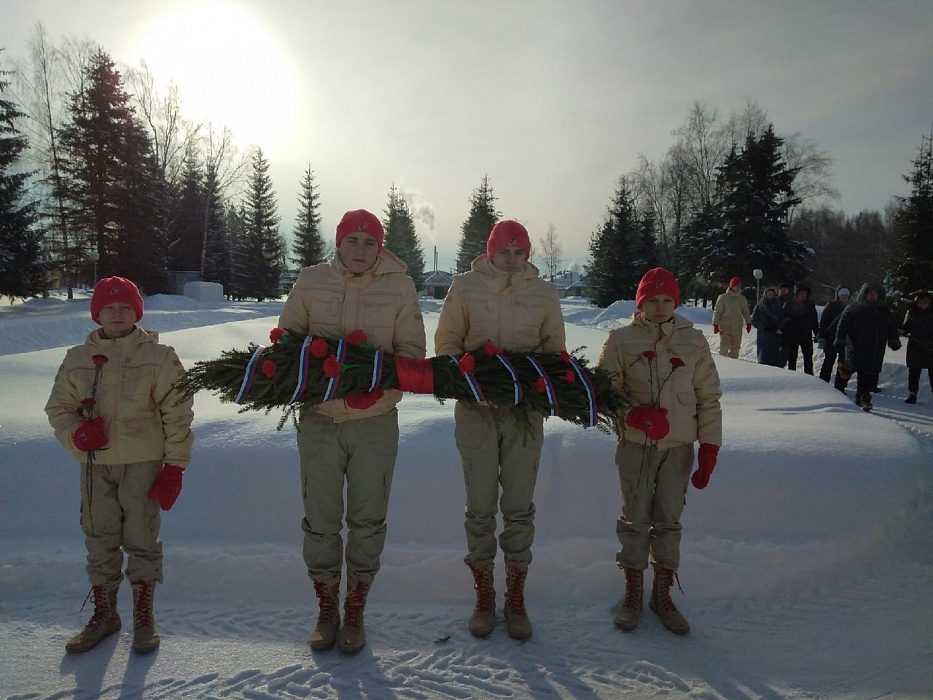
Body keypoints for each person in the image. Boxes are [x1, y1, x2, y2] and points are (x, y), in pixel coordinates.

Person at [278, 209, 426, 653]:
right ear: (338, 243)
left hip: (375, 423)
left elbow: (412, 352)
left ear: (380, 247)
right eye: (352, 241)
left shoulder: (399, 286)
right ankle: (327, 608)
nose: (360, 250)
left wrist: (374, 387)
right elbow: (288, 341)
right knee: (321, 520)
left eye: (369, 242)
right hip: (319, 421)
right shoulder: (311, 280)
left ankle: (356, 606)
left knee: (367, 519)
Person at [44, 276, 194, 655]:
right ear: (97, 313)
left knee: (142, 538)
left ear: (137, 312)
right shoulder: (76, 358)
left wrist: (174, 467)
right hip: (95, 467)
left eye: (125, 307)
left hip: (142, 463)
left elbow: (178, 414)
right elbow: (59, 408)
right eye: (109, 307)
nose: (117, 313)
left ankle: (144, 615)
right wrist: (76, 433)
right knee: (99, 538)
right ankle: (105, 614)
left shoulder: (159, 356)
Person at [435, 220, 566, 641]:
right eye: (504, 251)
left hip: (524, 413)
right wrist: (473, 380)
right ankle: (484, 595)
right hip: (476, 412)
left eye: (518, 252)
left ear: (527, 255)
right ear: (490, 252)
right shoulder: (465, 286)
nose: (511, 260)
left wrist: (535, 385)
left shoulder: (544, 293)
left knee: (518, 504)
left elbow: (554, 351)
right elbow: (447, 343)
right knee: (480, 505)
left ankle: (516, 596)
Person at [596, 268, 723, 635]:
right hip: (636, 447)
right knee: (635, 519)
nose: (660, 307)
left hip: (678, 449)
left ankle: (662, 594)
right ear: (640, 302)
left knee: (668, 520)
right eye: (652, 300)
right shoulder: (620, 340)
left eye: (667, 300)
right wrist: (635, 415)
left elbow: (708, 398)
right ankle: (633, 593)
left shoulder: (693, 341)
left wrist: (710, 447)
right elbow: (605, 394)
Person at [834, 281, 901, 411]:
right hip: (853, 347)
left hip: (873, 348)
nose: (872, 296)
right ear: (864, 294)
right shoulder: (854, 308)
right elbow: (843, 325)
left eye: (875, 293)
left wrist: (894, 340)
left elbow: (892, 326)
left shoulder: (884, 310)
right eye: (870, 293)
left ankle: (863, 398)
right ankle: (837, 392)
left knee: (865, 375)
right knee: (845, 371)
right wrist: (840, 339)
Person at [902, 290, 933, 404]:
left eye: (925, 302)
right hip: (915, 345)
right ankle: (912, 393)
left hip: (930, 345)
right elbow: (905, 328)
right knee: (914, 370)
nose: (923, 304)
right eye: (920, 302)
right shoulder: (911, 312)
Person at [782, 283, 819, 374]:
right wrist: (784, 334)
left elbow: (814, 320)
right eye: (801, 293)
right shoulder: (789, 304)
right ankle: (792, 376)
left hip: (806, 335)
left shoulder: (810, 305)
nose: (803, 295)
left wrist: (817, 333)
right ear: (796, 294)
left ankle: (809, 376)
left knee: (808, 358)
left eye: (804, 293)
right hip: (792, 336)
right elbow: (782, 320)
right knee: (792, 358)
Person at [817, 286, 851, 382]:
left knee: (843, 363)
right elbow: (824, 323)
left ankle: (840, 385)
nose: (844, 297)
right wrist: (822, 337)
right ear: (838, 296)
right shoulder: (831, 306)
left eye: (846, 295)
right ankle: (823, 382)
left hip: (845, 340)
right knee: (829, 361)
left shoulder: (852, 308)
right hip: (831, 338)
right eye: (842, 295)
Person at [712, 277, 751, 359]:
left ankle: (733, 364)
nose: (737, 288)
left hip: (737, 327)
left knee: (735, 348)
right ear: (731, 286)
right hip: (724, 327)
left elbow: (746, 312)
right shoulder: (723, 297)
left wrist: (748, 323)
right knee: (724, 347)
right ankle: (723, 362)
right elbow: (717, 312)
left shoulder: (742, 299)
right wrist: (715, 324)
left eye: (738, 286)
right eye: (735, 286)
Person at [750, 286, 786, 367]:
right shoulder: (759, 306)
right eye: (769, 294)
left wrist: (778, 327)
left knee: (775, 358)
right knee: (764, 358)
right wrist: (763, 327)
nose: (770, 296)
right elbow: (754, 320)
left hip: (775, 335)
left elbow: (782, 319)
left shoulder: (778, 306)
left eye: (772, 294)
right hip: (764, 335)